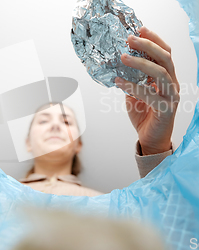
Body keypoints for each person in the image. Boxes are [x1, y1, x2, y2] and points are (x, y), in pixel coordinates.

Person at [20, 26, 179, 196]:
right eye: (43, 120)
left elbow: (169, 218)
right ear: (27, 142)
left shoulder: (107, 206)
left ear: (78, 145)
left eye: (66, 121)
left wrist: (155, 149)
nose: (55, 126)